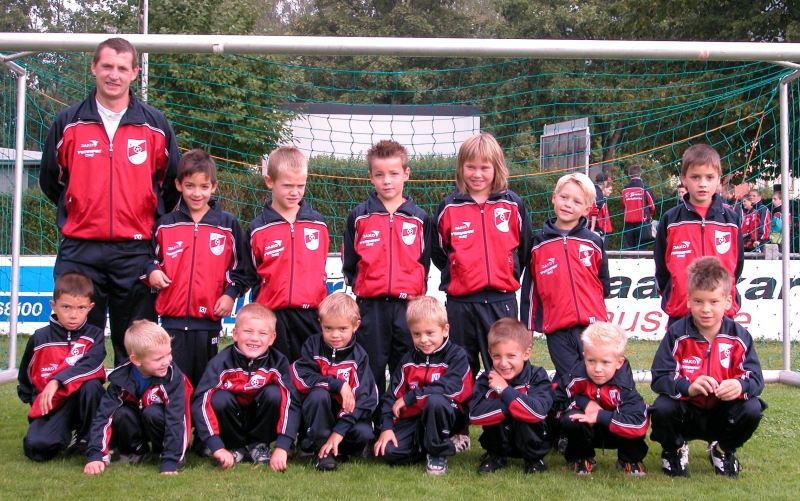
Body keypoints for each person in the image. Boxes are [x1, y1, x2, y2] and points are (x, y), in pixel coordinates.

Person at [39, 37, 181, 366]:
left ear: (134, 72)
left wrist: (144, 218)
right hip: (81, 249)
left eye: (121, 68)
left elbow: (169, 185)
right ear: (93, 68)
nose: (113, 75)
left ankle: (128, 413)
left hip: (135, 252)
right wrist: (82, 208)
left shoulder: (155, 125)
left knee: (134, 340)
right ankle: (75, 410)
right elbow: (52, 180)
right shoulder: (68, 122)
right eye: (106, 66)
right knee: (74, 341)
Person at [650, 257, 766, 479]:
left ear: (728, 301)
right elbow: (660, 377)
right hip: (686, 411)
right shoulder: (676, 333)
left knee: (752, 408)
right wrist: (688, 387)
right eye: (698, 301)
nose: (706, 309)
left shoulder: (739, 337)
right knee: (662, 408)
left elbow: (756, 380)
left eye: (713, 302)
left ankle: (722, 451)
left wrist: (739, 385)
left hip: (721, 413)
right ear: (688, 301)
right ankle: (674, 450)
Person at [145, 149, 250, 393]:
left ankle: (204, 432)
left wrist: (230, 294)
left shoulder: (227, 224)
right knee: (175, 387)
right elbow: (148, 259)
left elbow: (241, 269)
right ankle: (177, 430)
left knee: (206, 386)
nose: (196, 193)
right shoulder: (165, 224)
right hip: (171, 322)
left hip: (208, 323)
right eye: (190, 186)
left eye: (204, 187)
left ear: (214, 187)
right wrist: (151, 271)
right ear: (179, 185)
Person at [432, 132, 532, 379]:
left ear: (496, 168)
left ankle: (503, 418)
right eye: (471, 167)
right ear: (461, 168)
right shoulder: (448, 207)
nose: (477, 174)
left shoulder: (512, 205)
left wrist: (504, 271)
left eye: (484, 168)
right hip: (460, 305)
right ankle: (459, 418)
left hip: (501, 303)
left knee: (504, 369)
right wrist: (462, 271)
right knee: (459, 372)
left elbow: (524, 249)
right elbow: (439, 253)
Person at [342, 140, 432, 409]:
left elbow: (424, 262)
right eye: (379, 174)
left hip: (408, 309)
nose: (387, 181)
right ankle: (370, 427)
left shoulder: (420, 218)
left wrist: (414, 292)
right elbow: (350, 262)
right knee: (370, 369)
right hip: (371, 308)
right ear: (370, 176)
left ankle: (403, 426)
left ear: (406, 173)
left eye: (394, 174)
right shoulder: (358, 216)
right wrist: (364, 287)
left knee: (406, 370)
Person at [521, 172, 610, 379]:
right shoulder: (538, 243)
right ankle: (571, 411)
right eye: (564, 197)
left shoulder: (593, 242)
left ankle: (596, 411)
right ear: (554, 197)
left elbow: (603, 283)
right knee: (571, 379)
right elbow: (530, 290)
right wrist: (528, 327)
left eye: (577, 201)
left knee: (596, 377)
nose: (568, 204)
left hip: (592, 327)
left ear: (587, 209)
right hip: (557, 329)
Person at [191, 303, 300, 471]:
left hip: (260, 418)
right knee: (218, 398)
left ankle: (260, 446)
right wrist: (216, 445)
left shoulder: (278, 362)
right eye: (247, 331)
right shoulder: (221, 362)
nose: (254, 338)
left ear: (272, 338)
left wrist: (282, 446)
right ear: (234, 334)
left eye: (262, 333)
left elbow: (291, 402)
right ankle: (234, 448)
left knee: (275, 394)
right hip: (232, 420)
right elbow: (201, 401)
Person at [373, 296, 473, 475]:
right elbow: (391, 397)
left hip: (450, 414)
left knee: (436, 400)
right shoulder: (408, 360)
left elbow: (452, 388)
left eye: (430, 333)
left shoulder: (457, 356)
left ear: (445, 330)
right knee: (390, 452)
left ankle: (437, 453)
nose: (424, 340)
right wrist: (387, 427)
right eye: (416, 334)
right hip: (416, 418)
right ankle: (432, 443)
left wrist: (411, 397)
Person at [248, 146, 329, 362]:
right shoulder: (257, 228)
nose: (294, 192)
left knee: (310, 374)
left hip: (310, 314)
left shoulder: (318, 224)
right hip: (272, 315)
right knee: (275, 376)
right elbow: (251, 272)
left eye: (300, 185)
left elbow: (319, 266)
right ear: (269, 182)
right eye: (287, 186)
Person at [83, 320, 192, 475]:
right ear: (136, 360)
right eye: (158, 359)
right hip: (136, 422)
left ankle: (166, 454)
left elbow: (178, 419)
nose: (167, 361)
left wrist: (171, 461)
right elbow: (104, 415)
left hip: (159, 423)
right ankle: (136, 452)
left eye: (168, 354)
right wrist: (96, 454)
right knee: (121, 412)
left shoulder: (173, 378)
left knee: (153, 412)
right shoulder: (121, 378)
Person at [17, 272, 106, 461]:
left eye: (81, 308)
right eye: (66, 307)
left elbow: (91, 365)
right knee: (37, 450)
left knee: (92, 386)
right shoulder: (40, 338)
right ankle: (52, 432)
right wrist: (34, 400)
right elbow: (26, 373)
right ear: (53, 306)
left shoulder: (94, 335)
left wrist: (57, 380)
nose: (73, 314)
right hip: (53, 404)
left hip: (82, 399)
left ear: (90, 308)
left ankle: (86, 437)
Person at [654, 144, 744, 326]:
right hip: (681, 313)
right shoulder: (671, 219)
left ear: (719, 180)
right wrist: (674, 294)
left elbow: (738, 265)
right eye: (695, 177)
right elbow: (661, 266)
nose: (702, 183)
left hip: (721, 315)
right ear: (684, 179)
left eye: (709, 177)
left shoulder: (731, 220)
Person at [291, 293, 378, 471]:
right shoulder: (312, 345)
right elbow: (300, 377)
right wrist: (337, 384)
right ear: (320, 323)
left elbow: (368, 398)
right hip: (318, 415)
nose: (335, 335)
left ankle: (339, 448)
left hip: (345, 419)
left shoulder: (360, 356)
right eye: (328, 328)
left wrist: (339, 432)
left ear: (356, 326)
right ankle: (323, 454)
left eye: (342, 329)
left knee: (363, 432)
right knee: (317, 394)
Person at [553, 322, 649, 476]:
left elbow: (638, 425)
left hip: (615, 432)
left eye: (605, 362)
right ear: (584, 357)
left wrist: (600, 416)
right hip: (589, 432)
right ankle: (583, 457)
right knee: (572, 419)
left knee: (630, 421)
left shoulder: (626, 388)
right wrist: (584, 403)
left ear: (619, 363)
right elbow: (555, 402)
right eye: (591, 361)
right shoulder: (575, 377)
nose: (597, 368)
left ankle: (629, 459)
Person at [469, 318, 552, 475]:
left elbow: (538, 412)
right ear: (489, 354)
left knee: (527, 414)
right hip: (500, 441)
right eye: (497, 356)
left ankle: (534, 460)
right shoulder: (486, 379)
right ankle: (496, 457)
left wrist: (505, 391)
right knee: (504, 411)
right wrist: (514, 404)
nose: (503, 363)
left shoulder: (537, 376)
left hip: (533, 442)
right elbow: (474, 415)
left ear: (526, 353)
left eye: (511, 356)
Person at [620, 164, 656, 250]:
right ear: (640, 174)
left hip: (628, 221)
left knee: (629, 248)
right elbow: (652, 205)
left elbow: (623, 205)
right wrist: (649, 215)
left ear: (629, 175)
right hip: (642, 221)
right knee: (642, 247)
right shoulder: (645, 188)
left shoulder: (624, 189)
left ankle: (628, 261)